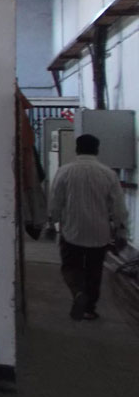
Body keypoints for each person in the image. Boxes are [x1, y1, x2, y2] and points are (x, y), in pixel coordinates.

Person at [47, 133, 128, 321]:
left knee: (70, 267)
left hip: (72, 231)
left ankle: (78, 292)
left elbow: (56, 201)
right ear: (97, 150)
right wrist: (121, 231)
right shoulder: (108, 174)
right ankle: (89, 309)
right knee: (94, 271)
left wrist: (52, 223)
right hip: (99, 233)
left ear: (77, 149)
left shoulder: (65, 171)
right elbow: (118, 207)